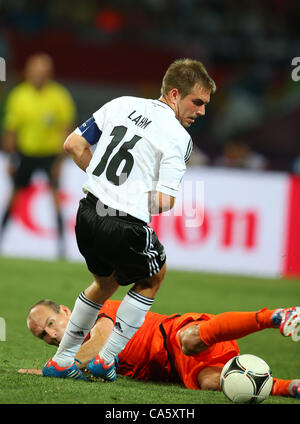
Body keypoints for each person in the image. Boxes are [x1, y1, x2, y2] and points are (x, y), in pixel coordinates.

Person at [42, 58, 216, 381]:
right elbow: (165, 200)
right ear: (175, 94)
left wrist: (105, 183)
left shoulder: (122, 103)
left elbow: (73, 144)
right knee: (154, 275)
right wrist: (131, 194)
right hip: (123, 223)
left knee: (104, 283)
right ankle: (106, 359)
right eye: (198, 102)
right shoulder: (179, 137)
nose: (202, 111)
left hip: (87, 214)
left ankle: (61, 360)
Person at [23, 296, 300, 399]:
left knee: (189, 341)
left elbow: (101, 342)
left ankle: (274, 317)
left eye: (50, 322)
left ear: (65, 310)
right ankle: (290, 387)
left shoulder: (98, 310)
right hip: (180, 370)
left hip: (176, 334)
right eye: (43, 336)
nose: (51, 334)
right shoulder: (78, 358)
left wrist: (53, 369)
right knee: (215, 382)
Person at [0, 53, 76, 258]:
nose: (39, 75)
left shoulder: (59, 96)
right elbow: (11, 130)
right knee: (13, 198)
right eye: (35, 70)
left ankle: (62, 250)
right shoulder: (19, 95)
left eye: (43, 71)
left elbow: (67, 130)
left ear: (49, 73)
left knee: (56, 200)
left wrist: (61, 161)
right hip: (25, 154)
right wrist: (9, 159)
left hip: (51, 155)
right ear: (28, 71)